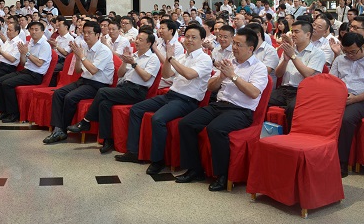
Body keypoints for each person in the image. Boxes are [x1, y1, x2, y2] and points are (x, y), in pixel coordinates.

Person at [175, 28, 269, 191]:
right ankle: (195, 169)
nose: (234, 47)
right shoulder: (229, 62)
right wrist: (221, 77)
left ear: (250, 48)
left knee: (216, 129)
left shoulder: (259, 67)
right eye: (234, 43)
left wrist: (233, 76)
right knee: (186, 123)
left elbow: (254, 92)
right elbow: (211, 87)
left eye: (238, 45)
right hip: (219, 105)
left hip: (241, 111)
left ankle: (223, 175)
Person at [115, 23, 212, 175]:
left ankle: (157, 160)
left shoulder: (205, 59)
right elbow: (166, 75)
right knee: (136, 109)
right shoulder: (182, 57)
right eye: (187, 37)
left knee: (158, 119)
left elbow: (189, 74)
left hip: (187, 101)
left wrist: (171, 58)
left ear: (202, 40)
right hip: (171, 95)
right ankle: (133, 151)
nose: (189, 40)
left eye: (194, 37)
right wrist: (168, 59)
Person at [68, 27, 161, 154]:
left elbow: (146, 77)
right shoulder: (133, 55)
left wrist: (134, 64)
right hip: (125, 87)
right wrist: (125, 62)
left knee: (102, 91)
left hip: (137, 91)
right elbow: (120, 74)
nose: (136, 41)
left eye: (140, 40)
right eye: (137, 38)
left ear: (149, 43)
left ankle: (86, 121)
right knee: (104, 104)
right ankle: (107, 140)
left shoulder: (153, 58)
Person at [43, 21, 114, 144]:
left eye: (89, 33)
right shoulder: (85, 48)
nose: (86, 35)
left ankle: (63, 129)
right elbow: (78, 70)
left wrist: (81, 56)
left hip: (97, 85)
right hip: (84, 80)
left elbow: (93, 70)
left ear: (97, 35)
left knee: (70, 97)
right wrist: (77, 58)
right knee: (58, 93)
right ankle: (58, 128)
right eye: (84, 32)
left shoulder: (104, 50)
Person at [329, 32, 364, 177]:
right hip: (339, 97)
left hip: (361, 101)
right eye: (346, 52)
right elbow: (332, 81)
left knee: (346, 119)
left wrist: (355, 99)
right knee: (319, 114)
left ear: (363, 46)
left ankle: (341, 163)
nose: (349, 55)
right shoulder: (340, 60)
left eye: (353, 52)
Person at [0, 21, 53, 123]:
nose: (33, 32)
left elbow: (39, 63)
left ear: (42, 32)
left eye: (36, 30)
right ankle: (4, 111)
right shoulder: (30, 43)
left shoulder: (45, 45)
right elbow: (23, 62)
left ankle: (14, 114)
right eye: (31, 29)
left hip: (35, 75)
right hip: (26, 70)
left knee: (7, 84)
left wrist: (27, 53)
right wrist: (22, 54)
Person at [269, 21, 326, 128]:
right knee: (263, 100)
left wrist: (293, 57)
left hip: (303, 91)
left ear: (308, 34)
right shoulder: (289, 50)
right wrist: (285, 60)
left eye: (296, 32)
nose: (293, 35)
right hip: (284, 90)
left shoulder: (317, 53)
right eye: (292, 32)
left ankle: (292, 134)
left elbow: (307, 74)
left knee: (292, 108)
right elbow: (278, 74)